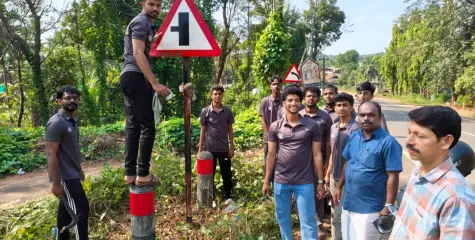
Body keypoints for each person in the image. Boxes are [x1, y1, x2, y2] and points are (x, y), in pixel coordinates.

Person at [389, 106, 474, 239]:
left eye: (420, 136)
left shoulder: (456, 199)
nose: (409, 141)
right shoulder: (418, 173)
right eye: (409, 132)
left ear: (446, 141)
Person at [262, 86, 326, 239]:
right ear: (283, 103)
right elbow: (271, 155)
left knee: (308, 220)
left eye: (297, 100)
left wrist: (321, 181)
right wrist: (266, 180)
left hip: (304, 181)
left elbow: (317, 154)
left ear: (301, 102)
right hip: (281, 181)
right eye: (290, 100)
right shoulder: (275, 127)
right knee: (283, 219)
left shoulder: (312, 126)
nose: (293, 103)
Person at [334, 101, 402, 240]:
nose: (366, 118)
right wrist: (339, 187)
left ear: (380, 117)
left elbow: (393, 176)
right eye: (362, 115)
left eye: (371, 115)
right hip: (348, 203)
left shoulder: (389, 143)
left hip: (370, 209)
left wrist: (389, 205)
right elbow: (348, 162)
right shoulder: (354, 136)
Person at [120, 0, 170, 185]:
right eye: (151, 4)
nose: (155, 8)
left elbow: (141, 43)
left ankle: (130, 173)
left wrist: (153, 39)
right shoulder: (141, 22)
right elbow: (138, 53)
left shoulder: (144, 26)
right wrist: (155, 83)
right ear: (142, 3)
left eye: (158, 5)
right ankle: (143, 174)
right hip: (136, 76)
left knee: (133, 126)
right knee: (148, 126)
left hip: (128, 76)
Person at [46, 86, 89, 240]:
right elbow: (51, 153)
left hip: (73, 173)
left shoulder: (72, 121)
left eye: (75, 98)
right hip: (65, 177)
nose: (72, 100)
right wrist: (56, 183)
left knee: (65, 213)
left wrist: (80, 170)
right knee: (81, 210)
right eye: (68, 98)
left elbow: (71, 151)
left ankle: (59, 237)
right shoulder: (56, 123)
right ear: (59, 101)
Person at [324, 92, 360, 240]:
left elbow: (353, 158)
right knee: (335, 214)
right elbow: (333, 152)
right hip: (334, 177)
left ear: (351, 107)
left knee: (348, 215)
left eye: (345, 105)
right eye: (338, 105)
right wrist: (327, 175)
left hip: (349, 180)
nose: (341, 108)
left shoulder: (356, 129)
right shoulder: (334, 127)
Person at [299, 86, 333, 238]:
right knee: (301, 192)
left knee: (317, 191)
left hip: (319, 159)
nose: (310, 99)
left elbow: (328, 140)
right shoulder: (298, 114)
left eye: (313, 96)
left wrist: (327, 161)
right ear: (304, 99)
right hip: (301, 160)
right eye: (308, 96)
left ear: (318, 99)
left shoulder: (325, 117)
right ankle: (304, 221)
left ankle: (318, 223)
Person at [199, 85, 235, 200]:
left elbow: (230, 129)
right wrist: (200, 148)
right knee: (210, 175)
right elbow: (203, 129)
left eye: (219, 94)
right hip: (209, 150)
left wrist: (231, 147)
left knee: (226, 174)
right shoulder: (205, 111)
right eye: (215, 94)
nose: (217, 96)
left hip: (224, 149)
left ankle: (228, 196)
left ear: (222, 95)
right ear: (211, 95)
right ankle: (211, 197)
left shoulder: (227, 111)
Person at [259, 75, 283, 183]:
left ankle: (279, 183)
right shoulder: (265, 101)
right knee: (268, 160)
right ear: (270, 86)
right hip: (269, 137)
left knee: (282, 160)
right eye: (274, 84)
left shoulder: (285, 100)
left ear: (281, 85)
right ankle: (267, 184)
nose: (276, 86)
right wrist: (267, 135)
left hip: (283, 137)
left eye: (278, 84)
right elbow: (263, 119)